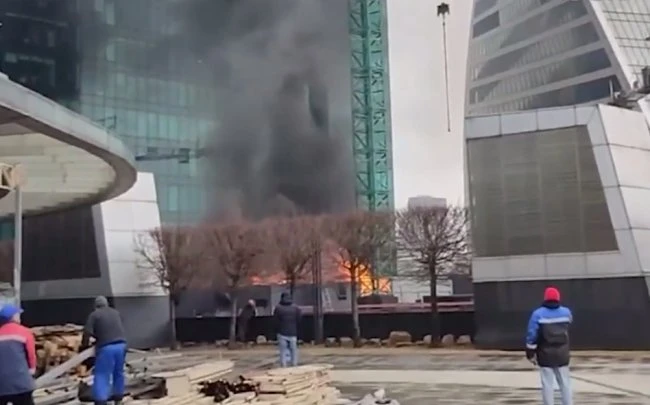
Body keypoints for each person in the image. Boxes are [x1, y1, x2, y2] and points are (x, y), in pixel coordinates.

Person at [526, 287, 573, 405]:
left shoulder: (537, 314)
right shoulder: (566, 312)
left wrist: (530, 352)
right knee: (565, 383)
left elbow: (532, 334)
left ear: (545, 298)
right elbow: (569, 324)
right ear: (558, 298)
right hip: (563, 353)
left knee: (547, 384)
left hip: (545, 354)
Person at [81, 296, 127, 405]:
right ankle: (118, 398)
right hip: (121, 345)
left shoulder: (95, 315)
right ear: (106, 304)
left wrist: (84, 346)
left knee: (102, 374)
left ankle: (101, 400)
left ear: (95, 305)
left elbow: (87, 332)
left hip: (107, 347)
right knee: (118, 372)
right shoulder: (116, 313)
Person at [0, 304, 36, 405]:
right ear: (13, 317)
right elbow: (31, 355)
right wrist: (31, 372)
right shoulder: (24, 332)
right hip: (21, 383)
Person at [273, 292, 301, 367]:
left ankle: (283, 365)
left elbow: (275, 321)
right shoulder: (296, 308)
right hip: (292, 332)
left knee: (283, 351)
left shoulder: (278, 308)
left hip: (282, 332)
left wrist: (277, 330)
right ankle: (294, 365)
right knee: (293, 350)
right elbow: (299, 319)